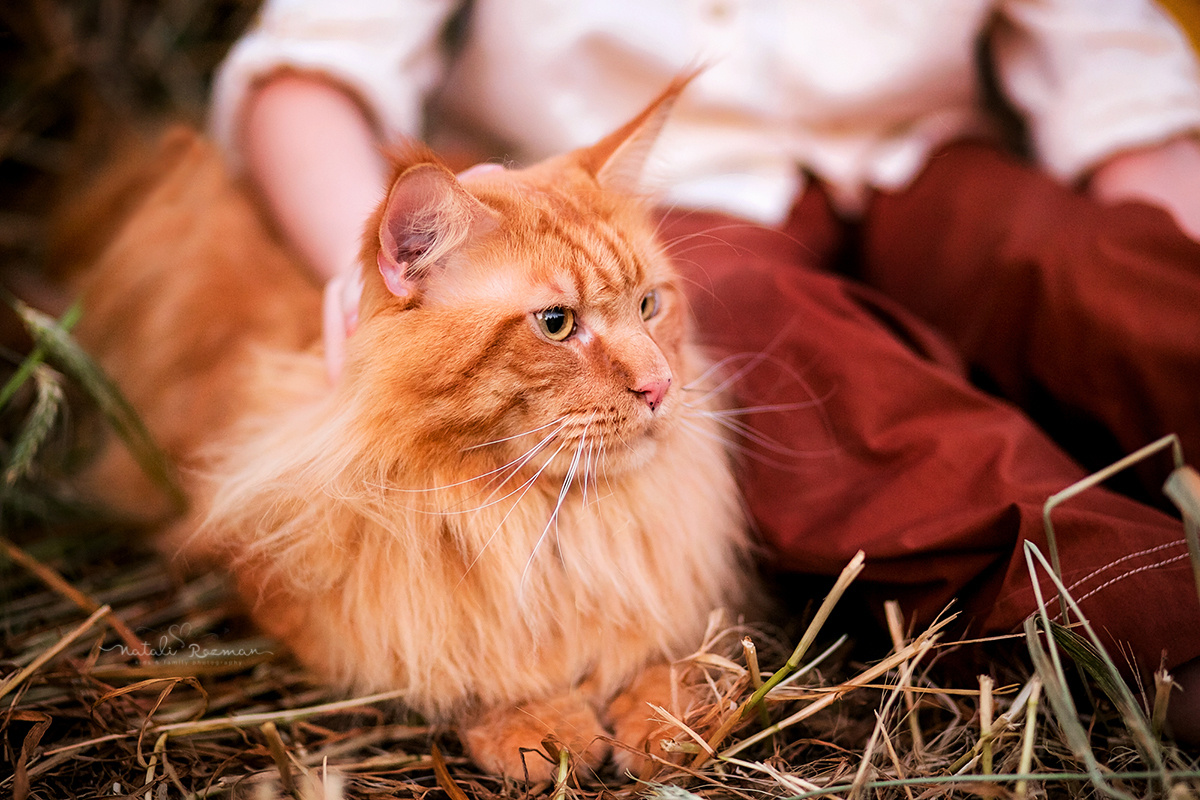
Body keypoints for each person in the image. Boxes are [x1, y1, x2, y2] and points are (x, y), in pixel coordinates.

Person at [210, 1, 1200, 737]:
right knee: (774, 346)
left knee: (1107, 276)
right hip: (656, 194)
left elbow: (1119, 77)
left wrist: (1154, 251)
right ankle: (1158, 617)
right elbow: (311, 68)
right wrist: (378, 264)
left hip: (932, 156)